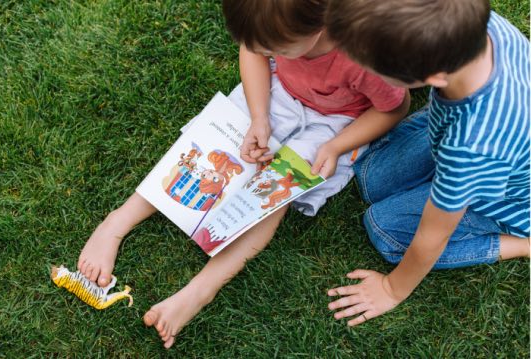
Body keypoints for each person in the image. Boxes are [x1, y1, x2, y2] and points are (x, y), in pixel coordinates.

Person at [77, 0, 409, 348]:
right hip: (277, 92)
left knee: (276, 191)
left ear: (318, 27)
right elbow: (252, 53)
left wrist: (337, 146)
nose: (263, 51)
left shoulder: (367, 54)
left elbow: (394, 109)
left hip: (339, 123)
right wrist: (259, 116)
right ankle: (117, 222)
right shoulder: (275, 30)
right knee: (208, 147)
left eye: (274, 49)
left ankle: (200, 291)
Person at [324, 0, 530, 327]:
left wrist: (392, 290)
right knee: (368, 175)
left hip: (501, 198)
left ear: (434, 76)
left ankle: (520, 243)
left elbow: (431, 237)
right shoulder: (472, 26)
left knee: (383, 228)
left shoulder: (472, 147)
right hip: (455, 134)